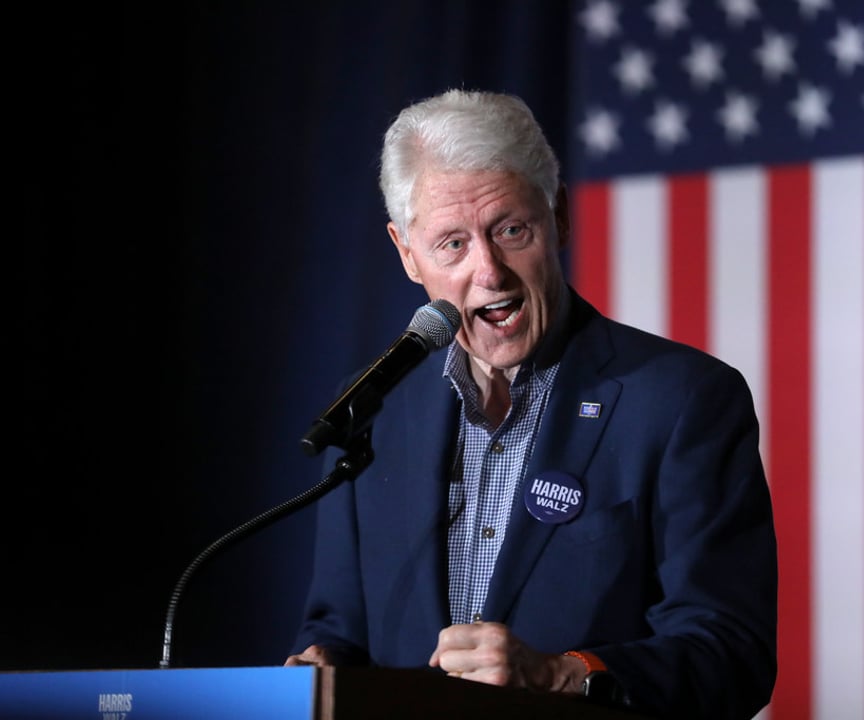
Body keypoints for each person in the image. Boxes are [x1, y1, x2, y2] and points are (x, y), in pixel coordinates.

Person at [286, 89, 777, 719]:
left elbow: (732, 654)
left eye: (511, 230)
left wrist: (559, 676)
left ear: (559, 218)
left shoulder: (682, 401)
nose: (488, 271)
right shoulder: (372, 410)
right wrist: (319, 663)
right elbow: (337, 629)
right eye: (452, 244)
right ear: (408, 254)